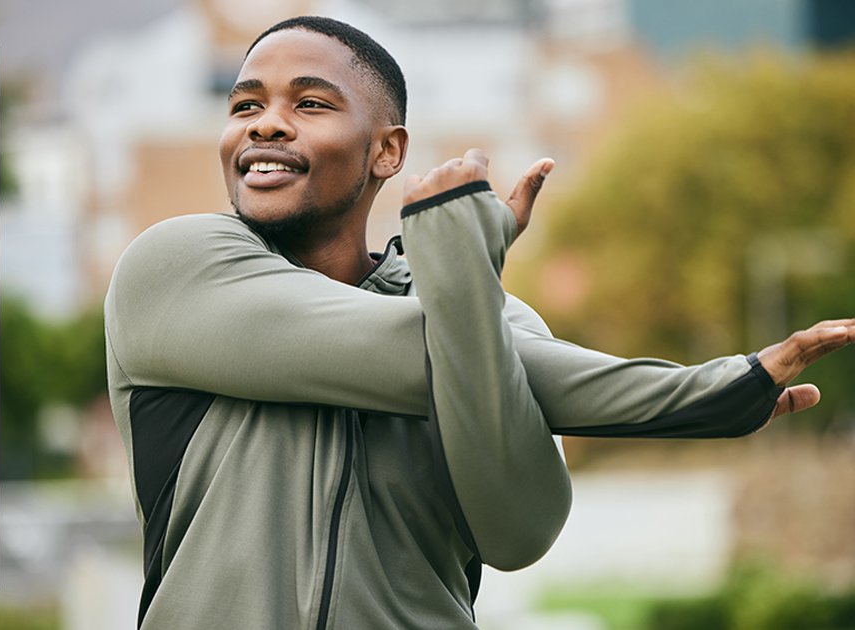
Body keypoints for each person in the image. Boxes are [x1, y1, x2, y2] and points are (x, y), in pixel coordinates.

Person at [103, 15, 854, 630]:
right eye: (245, 106)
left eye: (310, 104)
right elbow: (405, 353)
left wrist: (460, 273)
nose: (266, 125)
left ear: (386, 151)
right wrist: (714, 393)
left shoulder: (491, 319)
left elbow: (520, 532)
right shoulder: (174, 269)